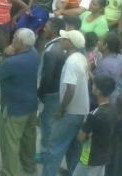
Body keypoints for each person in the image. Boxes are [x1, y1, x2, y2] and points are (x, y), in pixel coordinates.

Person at [42, 30, 90, 176]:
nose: (61, 40)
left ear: (70, 44)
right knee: (74, 151)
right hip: (81, 112)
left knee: (54, 149)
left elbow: (70, 89)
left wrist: (61, 109)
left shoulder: (71, 62)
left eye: (64, 38)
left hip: (69, 113)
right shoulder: (81, 58)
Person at [0, 28, 39, 176]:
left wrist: (5, 56)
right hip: (32, 105)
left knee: (10, 142)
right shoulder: (34, 53)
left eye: (14, 38)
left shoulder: (12, 61)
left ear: (19, 42)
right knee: (29, 138)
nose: (12, 39)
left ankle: (9, 172)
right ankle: (29, 166)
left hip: (14, 108)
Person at [73, 75, 118, 176]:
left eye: (94, 85)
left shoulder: (94, 114)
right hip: (104, 155)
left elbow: (81, 137)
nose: (92, 86)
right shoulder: (113, 109)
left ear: (98, 91)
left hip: (89, 156)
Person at [37, 17, 67, 160]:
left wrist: (41, 94)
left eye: (47, 26)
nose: (44, 29)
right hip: (58, 91)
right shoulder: (61, 45)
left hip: (50, 94)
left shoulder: (51, 50)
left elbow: (47, 77)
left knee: (47, 124)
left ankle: (45, 154)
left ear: (54, 30)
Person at [94, 33, 122, 102]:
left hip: (104, 98)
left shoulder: (104, 64)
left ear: (105, 45)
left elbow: (98, 83)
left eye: (100, 41)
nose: (98, 43)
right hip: (116, 95)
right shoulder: (120, 58)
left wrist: (88, 70)